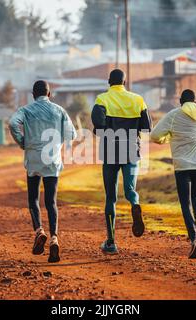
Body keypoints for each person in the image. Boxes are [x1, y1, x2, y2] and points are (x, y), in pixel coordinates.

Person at [150, 89, 196, 259]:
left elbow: (154, 135)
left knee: (185, 204)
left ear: (180, 102)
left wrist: (167, 138)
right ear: (195, 101)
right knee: (195, 198)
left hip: (181, 166)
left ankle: (194, 239)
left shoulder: (173, 115)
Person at [9, 80, 77, 263]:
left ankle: (39, 230)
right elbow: (73, 134)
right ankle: (54, 238)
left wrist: (23, 142)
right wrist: (57, 143)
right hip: (52, 160)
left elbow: (12, 123)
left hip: (33, 159)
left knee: (33, 199)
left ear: (33, 95)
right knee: (51, 202)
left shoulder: (26, 110)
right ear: (49, 94)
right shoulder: (59, 110)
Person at [91, 69, 152, 254]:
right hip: (132, 149)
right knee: (130, 189)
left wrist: (98, 131)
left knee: (111, 197)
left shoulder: (102, 99)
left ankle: (110, 242)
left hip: (110, 151)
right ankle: (135, 204)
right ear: (125, 82)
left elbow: (99, 125)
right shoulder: (138, 100)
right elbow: (147, 126)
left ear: (109, 81)